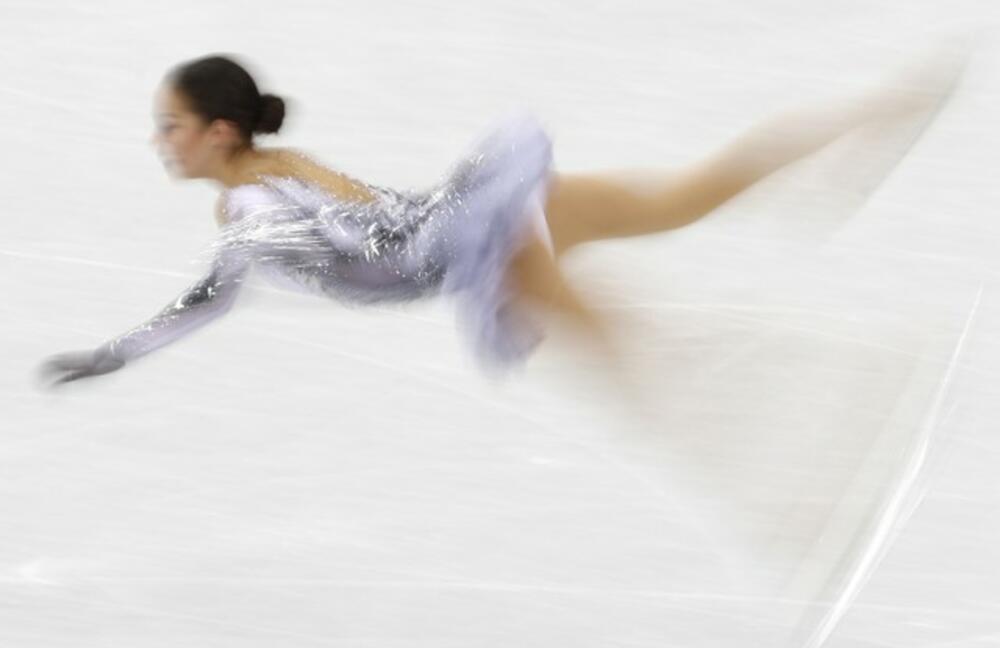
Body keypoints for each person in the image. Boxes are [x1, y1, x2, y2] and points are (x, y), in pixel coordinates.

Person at [38, 52, 961, 388]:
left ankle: (865, 376)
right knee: (694, 194)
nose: (159, 142)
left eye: (170, 127)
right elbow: (371, 221)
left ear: (218, 132)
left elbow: (223, 291)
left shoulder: (250, 206)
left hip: (484, 244)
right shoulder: (274, 171)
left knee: (638, 371)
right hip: (488, 208)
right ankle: (872, 116)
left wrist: (118, 353)